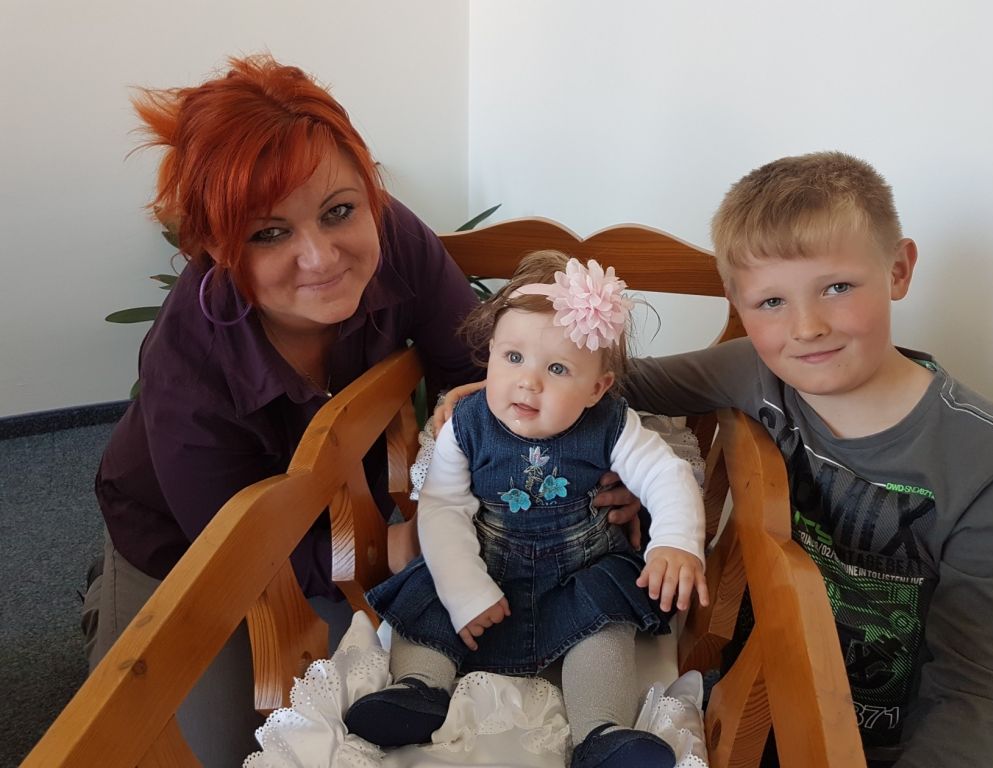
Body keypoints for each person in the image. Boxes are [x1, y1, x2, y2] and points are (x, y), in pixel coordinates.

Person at [80, 55, 639, 767]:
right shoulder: (185, 370)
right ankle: (107, 591)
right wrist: (389, 550)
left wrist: (590, 463)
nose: (321, 257)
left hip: (349, 504)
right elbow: (242, 555)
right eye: (268, 233)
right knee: (188, 749)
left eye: (339, 211)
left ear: (369, 191)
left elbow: (485, 375)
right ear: (216, 247)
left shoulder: (397, 239)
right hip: (187, 541)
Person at [617, 152, 993, 767]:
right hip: (752, 701)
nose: (806, 327)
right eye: (770, 302)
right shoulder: (752, 371)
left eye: (837, 288)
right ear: (737, 301)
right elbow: (609, 387)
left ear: (898, 270)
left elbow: (979, 691)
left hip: (884, 747)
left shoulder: (991, 468)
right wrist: (626, 465)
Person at [344, 251, 709, 768]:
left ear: (596, 388)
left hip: (581, 572)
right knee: (430, 588)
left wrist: (675, 540)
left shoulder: (612, 424)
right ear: (490, 355)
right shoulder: (466, 425)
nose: (528, 381)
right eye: (512, 357)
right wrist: (465, 590)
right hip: (486, 561)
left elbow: (665, 474)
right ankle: (417, 688)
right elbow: (443, 510)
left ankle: (601, 731)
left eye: (557, 368)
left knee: (607, 622)